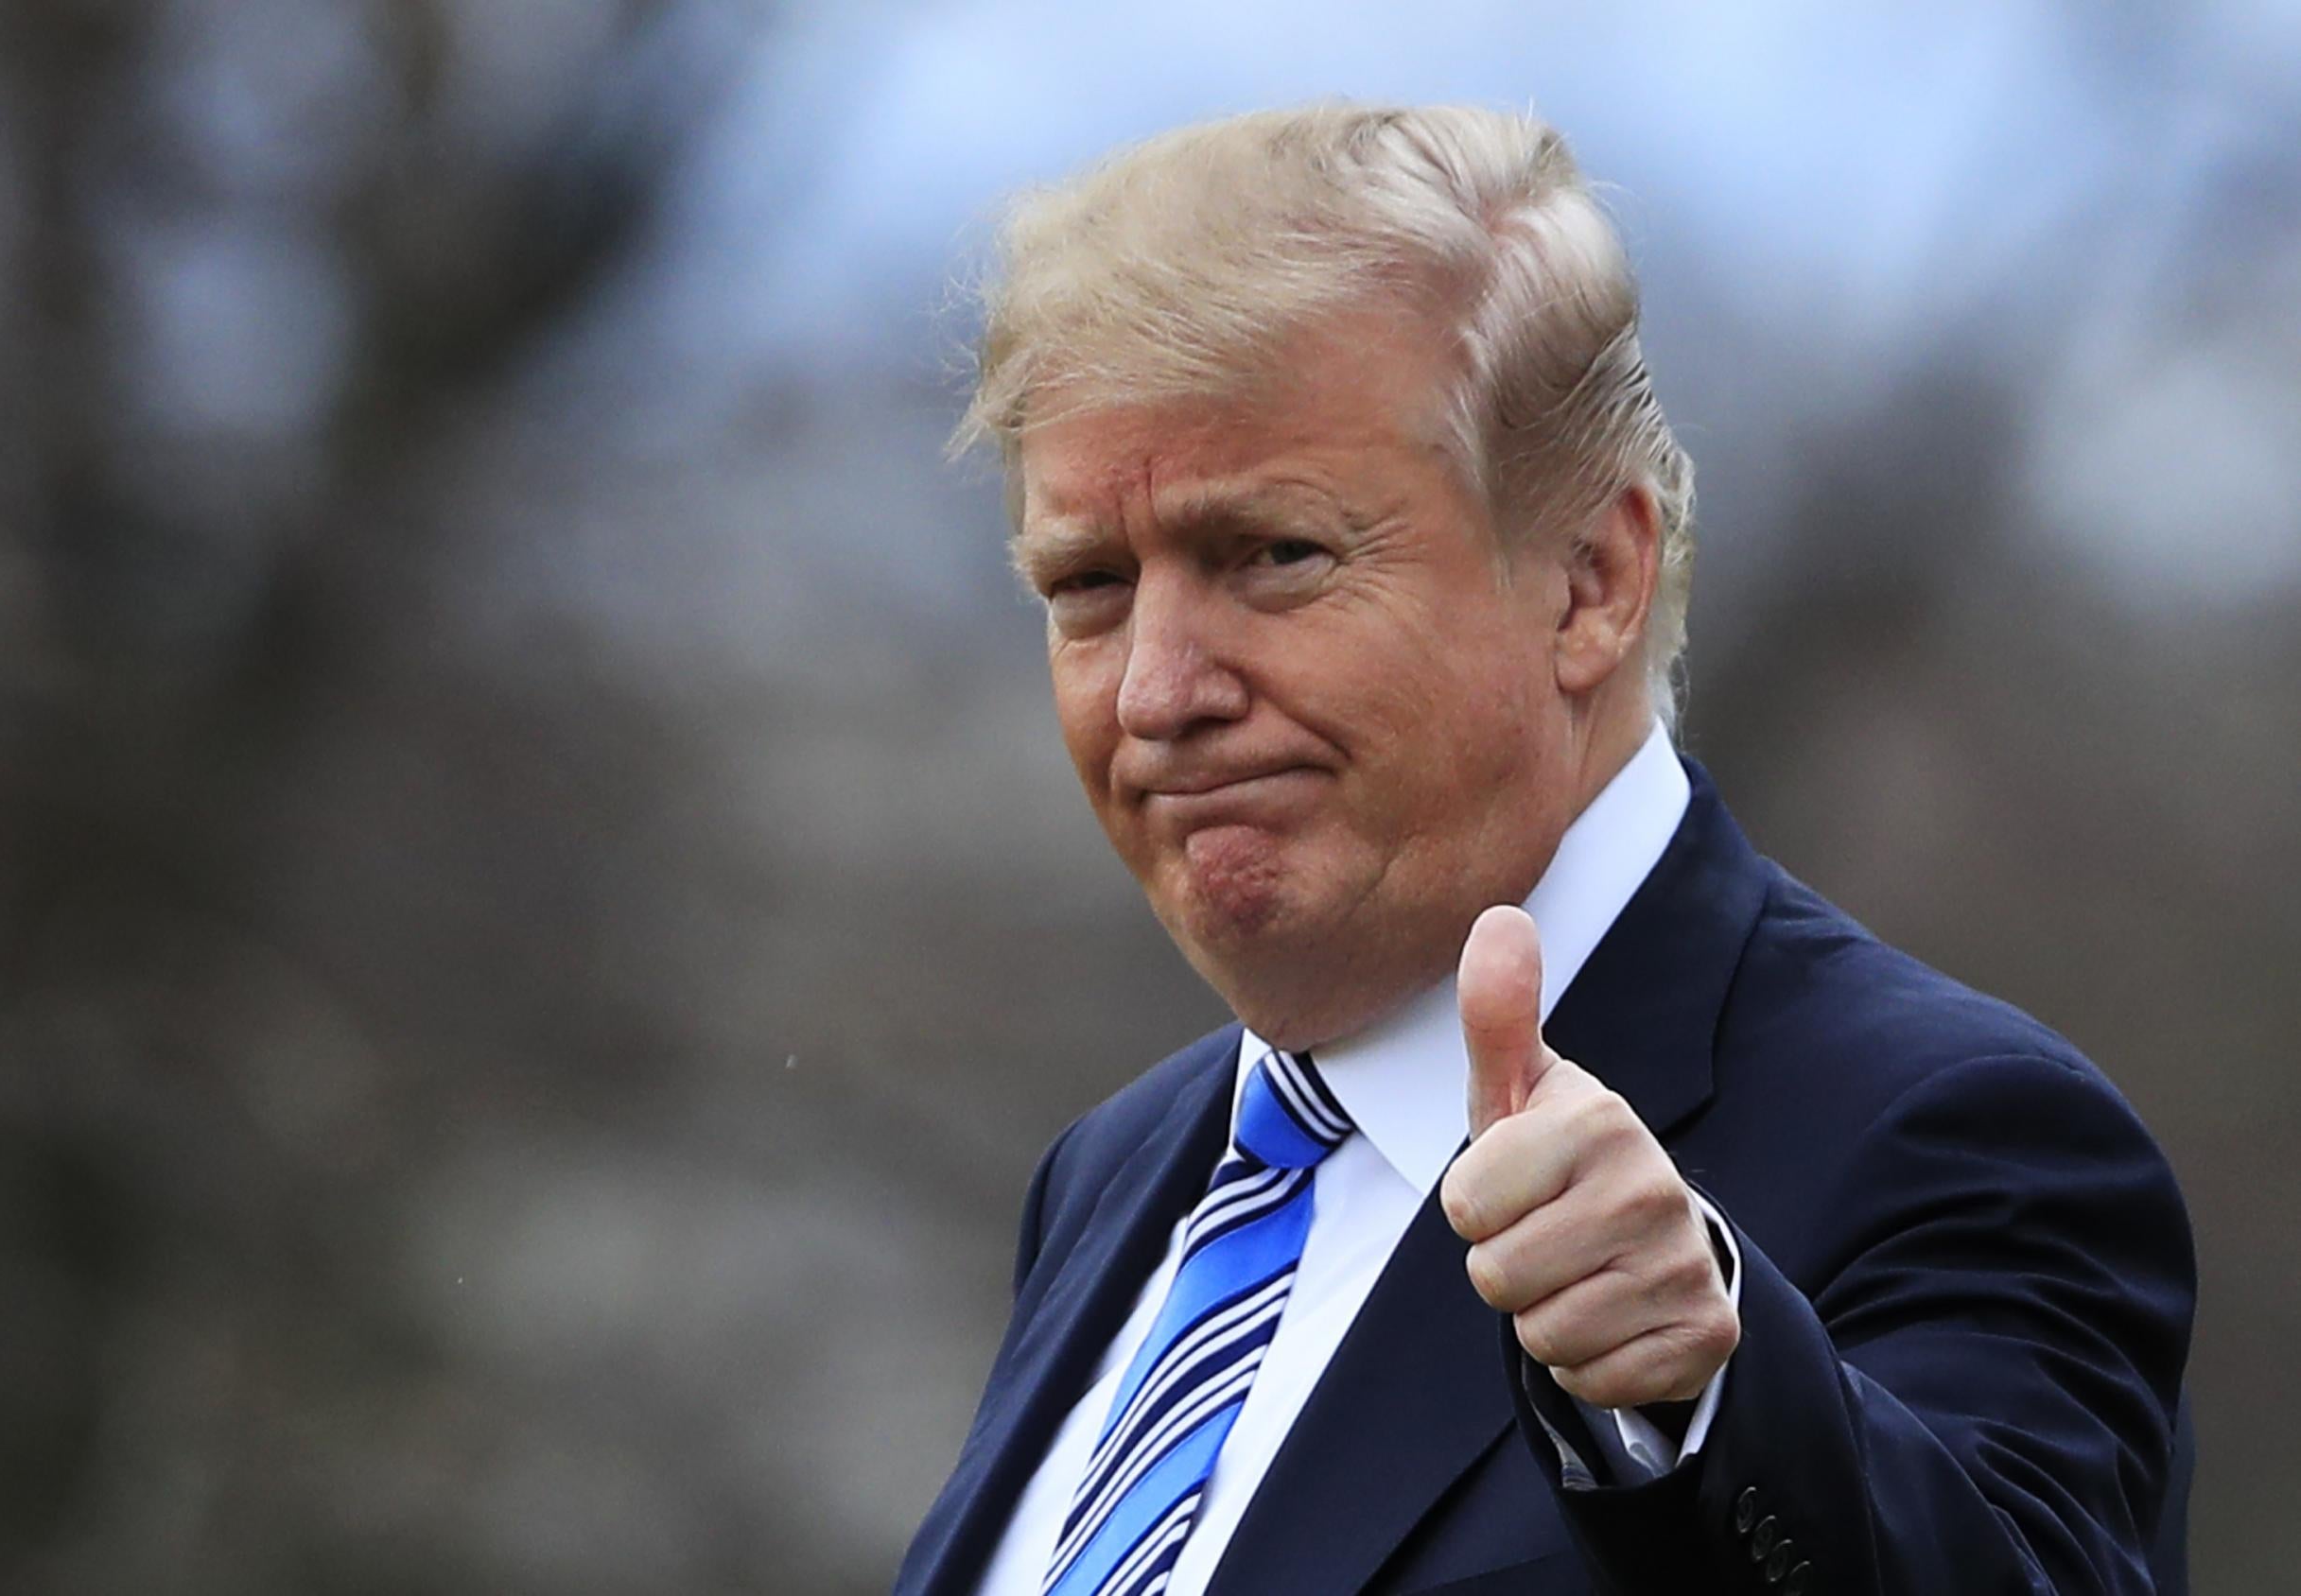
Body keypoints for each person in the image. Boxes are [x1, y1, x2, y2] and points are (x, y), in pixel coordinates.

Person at [894, 104, 2194, 1596]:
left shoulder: (1954, 1136)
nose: (1158, 693)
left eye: (1275, 555)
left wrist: (1709, 1405)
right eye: (1090, 584)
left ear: (1592, 580)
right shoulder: (1118, 1174)